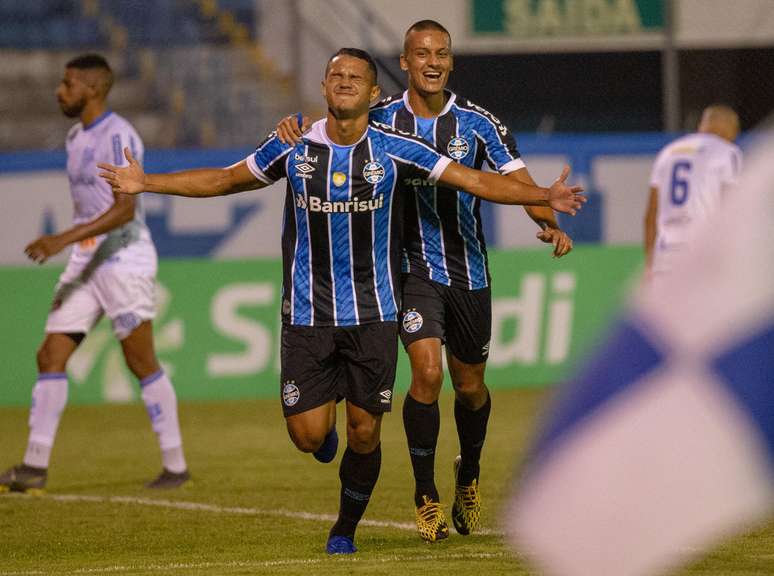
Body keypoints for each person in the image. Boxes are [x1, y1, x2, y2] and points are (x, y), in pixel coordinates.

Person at [97, 48, 584, 554]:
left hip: (375, 313)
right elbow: (224, 179)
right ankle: (323, 436)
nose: (345, 81)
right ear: (324, 88)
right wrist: (145, 183)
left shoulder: (396, 147)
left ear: (374, 94)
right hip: (307, 317)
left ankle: (344, 530)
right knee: (309, 437)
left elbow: (475, 180)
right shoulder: (293, 145)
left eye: (356, 77)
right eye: (336, 76)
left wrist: (542, 197)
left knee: (366, 432)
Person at [276, 19, 573, 543]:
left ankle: (470, 473)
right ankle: (425, 494)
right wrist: (294, 127)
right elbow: (329, 124)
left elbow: (512, 182)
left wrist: (546, 221)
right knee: (428, 374)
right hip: (409, 271)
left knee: (471, 387)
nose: (432, 62)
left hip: (468, 271)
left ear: (451, 62)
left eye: (441, 53)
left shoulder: (480, 124)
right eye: (421, 53)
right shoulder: (381, 116)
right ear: (406, 62)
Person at [0, 54, 190, 494]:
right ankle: (33, 466)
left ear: (92, 88)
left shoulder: (119, 135)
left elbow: (126, 209)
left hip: (124, 258)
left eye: (67, 84)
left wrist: (62, 238)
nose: (59, 91)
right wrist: (74, 245)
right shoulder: (74, 136)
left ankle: (176, 465)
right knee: (50, 356)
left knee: (140, 360)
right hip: (88, 260)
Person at [644, 104, 742, 281]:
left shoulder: (668, 152)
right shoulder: (728, 152)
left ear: (702, 126)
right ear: (733, 131)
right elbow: (730, 207)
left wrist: (650, 265)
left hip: (666, 252)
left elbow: (651, 215)